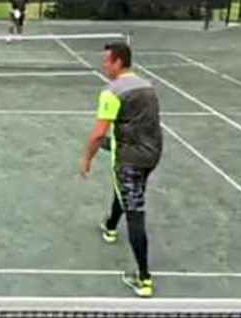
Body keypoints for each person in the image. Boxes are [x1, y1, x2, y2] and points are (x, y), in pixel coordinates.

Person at [79, 43, 162, 298]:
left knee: (135, 212)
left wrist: (87, 158)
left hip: (129, 159)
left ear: (118, 62)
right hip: (152, 154)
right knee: (127, 191)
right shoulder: (147, 86)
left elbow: (99, 133)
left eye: (107, 61)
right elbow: (141, 124)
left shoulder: (111, 92)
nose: (105, 65)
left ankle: (144, 279)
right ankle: (110, 226)